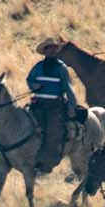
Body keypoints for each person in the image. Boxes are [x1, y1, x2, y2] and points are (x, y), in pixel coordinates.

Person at [26, 41, 75, 171]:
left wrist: (72, 107)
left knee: (53, 133)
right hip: (38, 105)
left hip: (55, 107)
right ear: (45, 51)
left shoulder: (61, 68)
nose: (52, 51)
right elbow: (29, 80)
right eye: (49, 49)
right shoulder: (38, 67)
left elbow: (68, 88)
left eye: (54, 49)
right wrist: (34, 86)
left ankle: (47, 163)